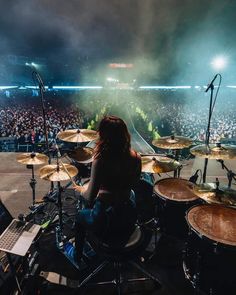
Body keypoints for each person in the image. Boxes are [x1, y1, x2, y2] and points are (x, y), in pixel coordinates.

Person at [64, 115, 141, 267]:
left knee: (80, 216)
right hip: (128, 217)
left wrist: (81, 190)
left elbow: (90, 196)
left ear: (104, 135)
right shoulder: (136, 157)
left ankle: (77, 256)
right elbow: (133, 186)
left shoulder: (101, 159)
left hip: (106, 221)